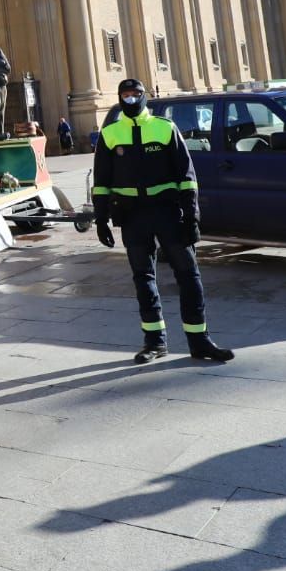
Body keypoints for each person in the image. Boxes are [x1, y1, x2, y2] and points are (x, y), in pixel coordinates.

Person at [90, 78, 233, 365]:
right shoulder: (110, 134)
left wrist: (192, 216)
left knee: (189, 275)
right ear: (119, 98)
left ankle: (199, 340)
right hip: (132, 217)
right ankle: (154, 342)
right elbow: (102, 182)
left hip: (168, 214)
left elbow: (187, 177)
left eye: (135, 94)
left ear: (144, 97)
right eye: (125, 95)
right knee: (144, 279)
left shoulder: (165, 128)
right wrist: (101, 219)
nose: (131, 99)